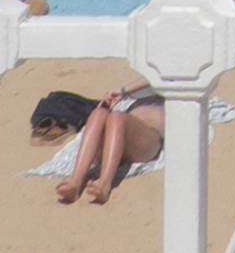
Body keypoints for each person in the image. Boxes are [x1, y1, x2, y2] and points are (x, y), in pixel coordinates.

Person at [32, 86, 167, 206]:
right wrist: (119, 95)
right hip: (121, 134)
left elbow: (158, 79)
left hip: (147, 139)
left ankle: (104, 184)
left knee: (116, 117)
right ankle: (75, 182)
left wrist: (124, 90)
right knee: (99, 113)